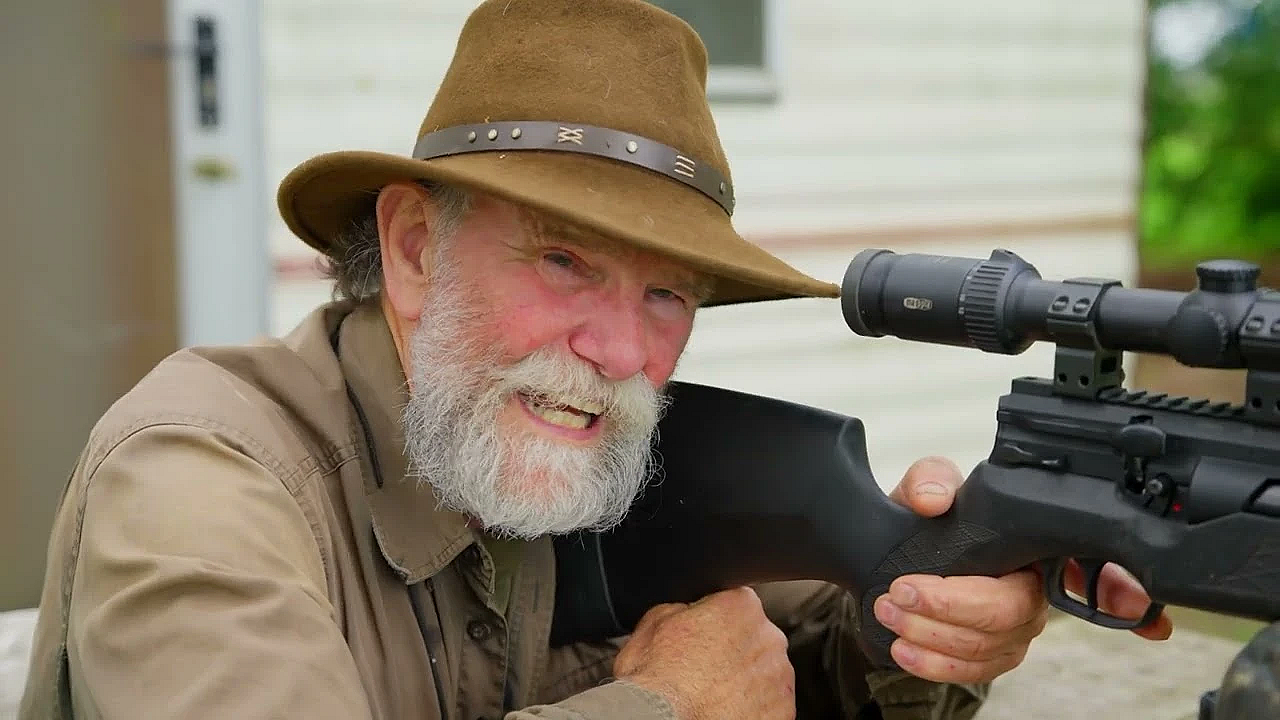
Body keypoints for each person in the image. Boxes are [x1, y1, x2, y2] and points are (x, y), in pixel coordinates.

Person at [19, 1, 1172, 718]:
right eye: (563, 262)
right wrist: (659, 709)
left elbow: (795, 660)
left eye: (667, 292)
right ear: (415, 249)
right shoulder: (197, 475)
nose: (620, 352)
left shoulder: (566, 444)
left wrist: (921, 621)